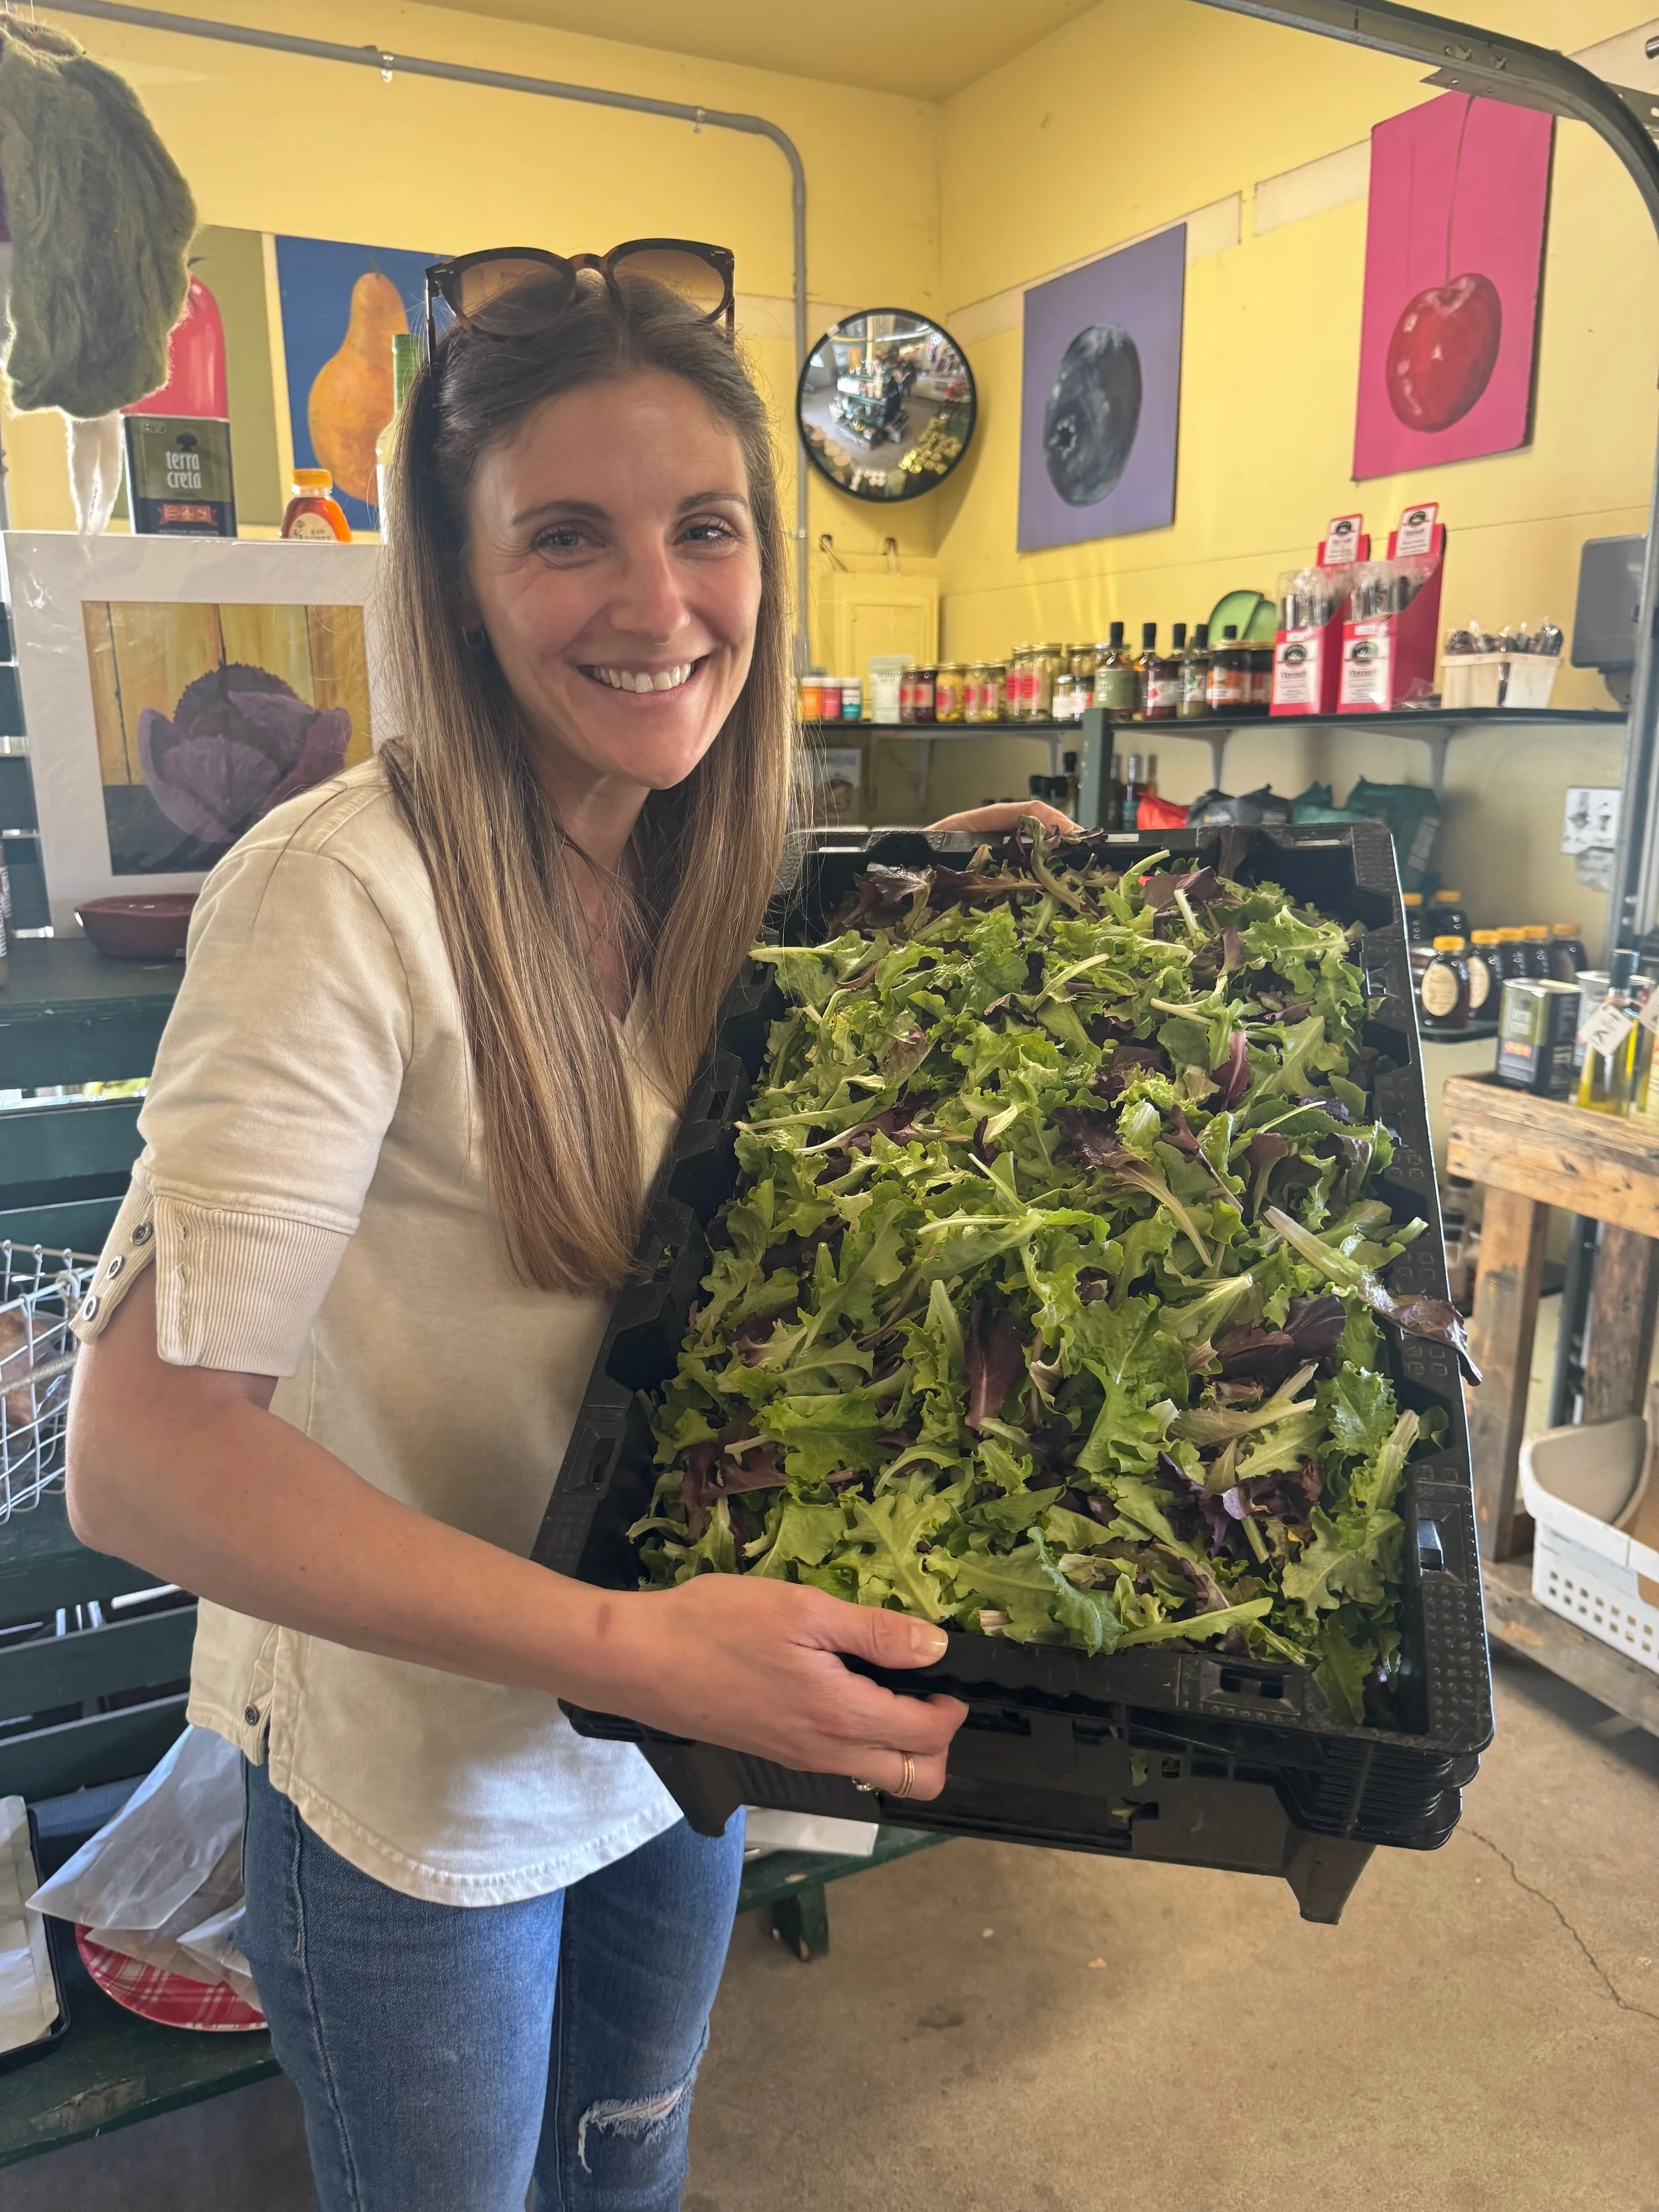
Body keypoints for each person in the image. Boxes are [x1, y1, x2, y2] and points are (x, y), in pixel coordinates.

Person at [65, 242, 1076, 2212]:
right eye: (565, 539)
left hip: (662, 1713)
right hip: (420, 1777)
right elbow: (144, 1454)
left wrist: (925, 877)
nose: (659, 604)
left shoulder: (711, 858)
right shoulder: (335, 895)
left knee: (626, 2162)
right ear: (449, 580)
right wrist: (633, 1645)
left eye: (706, 528)